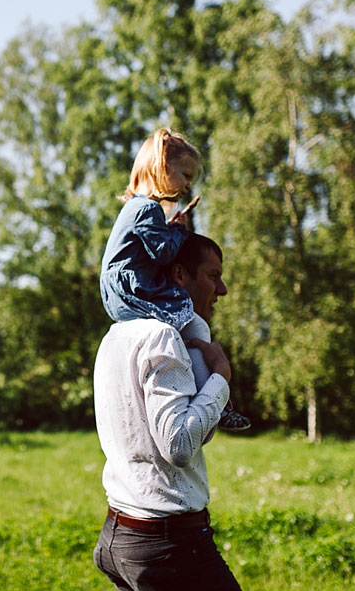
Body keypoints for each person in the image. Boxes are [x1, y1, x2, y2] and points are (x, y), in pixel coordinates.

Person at [93, 233, 247, 591]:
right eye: (213, 275)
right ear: (179, 274)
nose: (222, 289)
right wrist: (220, 379)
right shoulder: (161, 337)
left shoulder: (117, 335)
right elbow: (178, 445)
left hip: (122, 536)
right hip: (169, 546)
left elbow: (182, 437)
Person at [99, 128, 249, 430]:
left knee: (186, 323)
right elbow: (165, 254)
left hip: (122, 289)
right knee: (192, 319)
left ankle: (195, 391)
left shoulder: (137, 208)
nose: (187, 184)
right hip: (134, 289)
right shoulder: (147, 208)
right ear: (162, 169)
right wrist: (180, 228)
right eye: (184, 174)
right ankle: (213, 401)